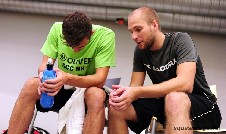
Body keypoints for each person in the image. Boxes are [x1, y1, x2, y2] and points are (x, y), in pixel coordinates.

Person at [108, 7, 221, 134]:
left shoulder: (180, 40)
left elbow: (185, 84)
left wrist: (137, 91)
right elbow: (135, 86)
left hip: (203, 106)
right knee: (117, 108)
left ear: (154, 25)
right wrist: (123, 95)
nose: (134, 36)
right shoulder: (140, 52)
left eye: (138, 29)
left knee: (174, 98)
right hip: (166, 103)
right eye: (131, 31)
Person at [7, 11, 115, 134]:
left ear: (91, 33)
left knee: (97, 95)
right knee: (31, 84)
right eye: (70, 45)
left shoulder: (105, 35)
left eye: (80, 47)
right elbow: (44, 65)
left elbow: (100, 79)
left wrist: (67, 78)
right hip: (59, 88)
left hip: (85, 91)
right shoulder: (57, 29)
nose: (74, 51)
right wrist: (44, 77)